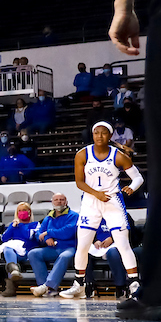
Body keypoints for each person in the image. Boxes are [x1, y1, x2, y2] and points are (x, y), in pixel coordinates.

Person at [59, 123, 143, 299]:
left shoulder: (118, 156)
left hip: (112, 201)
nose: (99, 136)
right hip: (90, 201)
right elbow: (79, 182)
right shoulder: (82, 154)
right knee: (82, 245)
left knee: (122, 244)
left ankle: (134, 283)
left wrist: (131, 188)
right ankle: (79, 284)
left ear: (110, 136)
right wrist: (96, 193)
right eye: (96, 133)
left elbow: (138, 178)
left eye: (104, 133)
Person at [28, 194, 80, 297]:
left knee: (64, 256)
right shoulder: (48, 217)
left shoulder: (74, 216)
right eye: (56, 200)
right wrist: (47, 238)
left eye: (61, 200)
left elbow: (68, 232)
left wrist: (49, 233)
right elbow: (39, 233)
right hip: (52, 248)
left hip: (68, 247)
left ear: (66, 202)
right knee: (33, 253)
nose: (59, 202)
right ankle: (43, 287)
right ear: (52, 202)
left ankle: (49, 286)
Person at [0, 202, 40, 297]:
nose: (22, 212)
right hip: (15, 254)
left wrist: (20, 225)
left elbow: (29, 236)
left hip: (28, 253)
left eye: (24, 210)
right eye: (19, 211)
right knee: (7, 249)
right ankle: (14, 271)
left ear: (29, 212)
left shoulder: (35, 225)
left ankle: (11, 286)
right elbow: (4, 239)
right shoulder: (13, 225)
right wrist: (11, 228)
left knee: (10, 258)